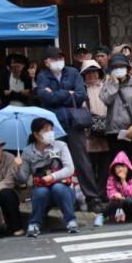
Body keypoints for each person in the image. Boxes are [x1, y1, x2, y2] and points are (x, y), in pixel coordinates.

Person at [37, 47, 102, 211]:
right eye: (54, 58)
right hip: (54, 126)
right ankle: (62, 200)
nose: (59, 61)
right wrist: (68, 93)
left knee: (82, 161)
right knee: (55, 162)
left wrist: (57, 94)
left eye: (61, 57)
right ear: (46, 62)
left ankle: (92, 198)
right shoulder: (43, 76)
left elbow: (80, 94)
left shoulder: (73, 72)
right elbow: (45, 97)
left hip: (74, 123)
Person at [14, 117, 79, 237]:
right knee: (41, 192)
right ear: (36, 134)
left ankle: (71, 221)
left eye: (51, 129)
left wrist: (53, 177)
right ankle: (34, 224)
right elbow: (22, 179)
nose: (50, 133)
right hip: (41, 191)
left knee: (57, 188)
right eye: (46, 130)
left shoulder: (60, 146)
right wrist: (17, 168)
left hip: (63, 189)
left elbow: (70, 169)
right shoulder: (28, 151)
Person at [100, 53, 132, 168]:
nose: (119, 70)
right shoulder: (107, 84)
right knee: (118, 167)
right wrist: (115, 85)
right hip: (113, 132)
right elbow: (106, 100)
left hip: (131, 131)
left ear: (127, 68)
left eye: (121, 67)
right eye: (115, 67)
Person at [80, 59, 111, 194]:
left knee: (105, 165)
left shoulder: (106, 87)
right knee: (90, 165)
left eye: (94, 72)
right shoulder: (81, 90)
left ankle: (103, 191)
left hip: (105, 131)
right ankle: (93, 194)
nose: (92, 75)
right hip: (88, 133)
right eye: (88, 73)